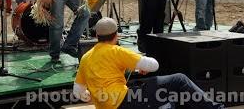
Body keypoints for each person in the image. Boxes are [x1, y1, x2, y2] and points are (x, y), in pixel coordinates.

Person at [73, 17, 225, 109]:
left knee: (158, 96)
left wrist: (99, 95)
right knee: (179, 79)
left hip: (109, 105)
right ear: (116, 36)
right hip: (125, 102)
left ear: (97, 35)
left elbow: (78, 92)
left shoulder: (86, 57)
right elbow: (153, 65)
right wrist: (140, 65)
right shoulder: (117, 51)